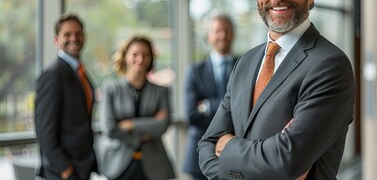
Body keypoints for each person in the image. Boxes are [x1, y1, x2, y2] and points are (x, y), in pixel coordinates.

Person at [198, 0, 356, 179]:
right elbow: (207, 145)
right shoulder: (246, 62)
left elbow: (287, 159)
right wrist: (264, 161)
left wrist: (228, 148)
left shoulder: (330, 65)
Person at [96, 35, 175, 180]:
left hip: (154, 165)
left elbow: (163, 125)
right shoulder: (111, 89)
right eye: (135, 54)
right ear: (125, 57)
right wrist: (149, 124)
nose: (140, 59)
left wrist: (130, 124)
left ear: (151, 58)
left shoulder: (161, 91)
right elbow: (109, 128)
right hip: (118, 164)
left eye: (145, 55)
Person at [34, 13, 97, 180]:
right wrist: (65, 170)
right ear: (56, 40)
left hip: (82, 167)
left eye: (78, 33)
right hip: (64, 172)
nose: (74, 38)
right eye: (67, 34)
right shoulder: (53, 75)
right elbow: (44, 132)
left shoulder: (80, 73)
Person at [182, 14, 238, 180]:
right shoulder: (195, 71)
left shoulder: (244, 66)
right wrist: (231, 110)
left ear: (233, 34)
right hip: (199, 155)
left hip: (235, 154)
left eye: (226, 30)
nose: (222, 35)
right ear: (208, 36)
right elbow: (191, 115)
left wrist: (208, 106)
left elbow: (249, 108)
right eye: (217, 31)